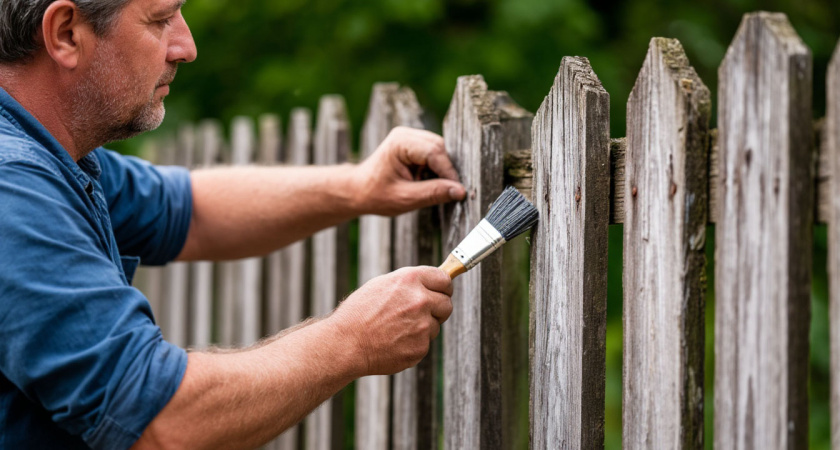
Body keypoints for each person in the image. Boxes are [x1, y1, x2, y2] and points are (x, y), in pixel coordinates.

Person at [0, 0, 466, 448]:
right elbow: (162, 419)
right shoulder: (14, 187)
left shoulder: (49, 156)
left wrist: (358, 186)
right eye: (160, 20)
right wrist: (351, 340)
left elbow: (187, 209)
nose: (186, 45)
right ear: (65, 33)